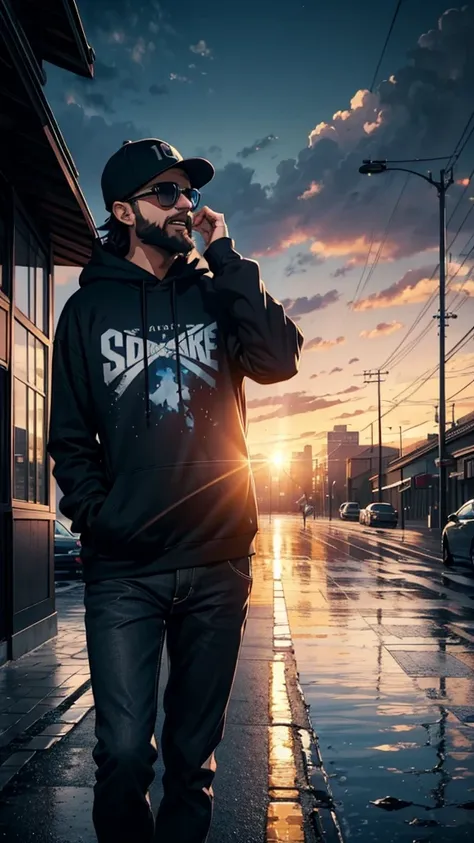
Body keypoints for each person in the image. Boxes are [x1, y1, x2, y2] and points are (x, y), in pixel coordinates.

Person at [47, 137, 303, 843]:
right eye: (167, 194)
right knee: (125, 753)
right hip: (125, 570)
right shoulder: (85, 313)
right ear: (126, 211)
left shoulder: (215, 288)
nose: (186, 204)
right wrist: (101, 519)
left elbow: (278, 359)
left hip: (217, 561)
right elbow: (69, 438)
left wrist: (228, 260)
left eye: (188, 192)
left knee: (193, 762)